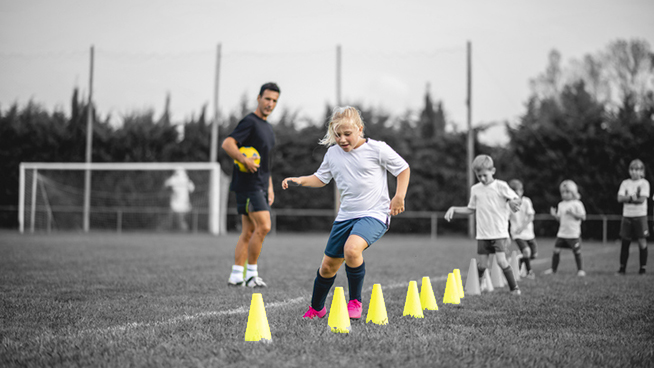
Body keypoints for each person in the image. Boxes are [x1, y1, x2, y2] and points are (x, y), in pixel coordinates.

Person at [281, 106, 410, 320]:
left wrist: (399, 196)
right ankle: (317, 308)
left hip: (374, 214)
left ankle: (355, 302)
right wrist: (300, 181)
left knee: (352, 249)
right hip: (345, 217)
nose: (342, 139)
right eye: (337, 134)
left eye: (347, 134)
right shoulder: (332, 153)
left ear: (360, 129)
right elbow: (321, 178)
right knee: (327, 267)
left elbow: (403, 169)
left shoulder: (377, 149)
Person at [222, 82, 280, 288]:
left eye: (274, 100)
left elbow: (266, 163)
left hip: (261, 185)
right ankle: (251, 275)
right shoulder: (250, 122)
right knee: (264, 226)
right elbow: (228, 143)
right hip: (248, 185)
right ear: (258, 98)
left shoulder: (268, 128)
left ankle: (236, 275)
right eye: (267, 99)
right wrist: (243, 159)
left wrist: (270, 187)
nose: (270, 103)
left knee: (248, 231)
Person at [444, 155, 522, 295]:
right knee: (483, 265)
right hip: (482, 233)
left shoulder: (501, 186)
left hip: (499, 232)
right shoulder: (475, 189)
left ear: (493, 170)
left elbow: (516, 199)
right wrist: (454, 208)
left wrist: (512, 202)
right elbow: (471, 209)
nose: (483, 179)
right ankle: (479, 285)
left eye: (485, 175)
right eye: (479, 176)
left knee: (501, 261)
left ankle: (514, 288)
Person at [544, 180, 587, 276]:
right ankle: (553, 269)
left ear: (573, 192)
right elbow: (560, 219)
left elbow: (583, 217)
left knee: (577, 251)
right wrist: (555, 215)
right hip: (562, 233)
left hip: (573, 234)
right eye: (563, 192)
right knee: (556, 251)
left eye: (567, 192)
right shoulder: (561, 204)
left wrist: (573, 213)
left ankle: (580, 270)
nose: (564, 194)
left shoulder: (577, 204)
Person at [616, 159, 649, 275]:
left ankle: (642, 268)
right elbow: (619, 198)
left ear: (641, 171)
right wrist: (632, 198)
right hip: (627, 216)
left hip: (640, 216)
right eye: (632, 169)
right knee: (625, 242)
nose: (634, 172)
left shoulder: (644, 183)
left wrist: (628, 198)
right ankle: (622, 268)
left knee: (642, 242)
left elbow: (641, 200)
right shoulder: (625, 183)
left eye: (637, 169)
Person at [508, 179, 537, 279]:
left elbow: (531, 216)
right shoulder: (508, 204)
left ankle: (520, 260)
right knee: (527, 251)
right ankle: (529, 272)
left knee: (534, 255)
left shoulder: (527, 201)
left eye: (516, 192)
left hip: (529, 233)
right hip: (517, 234)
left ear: (521, 191)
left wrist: (522, 227)